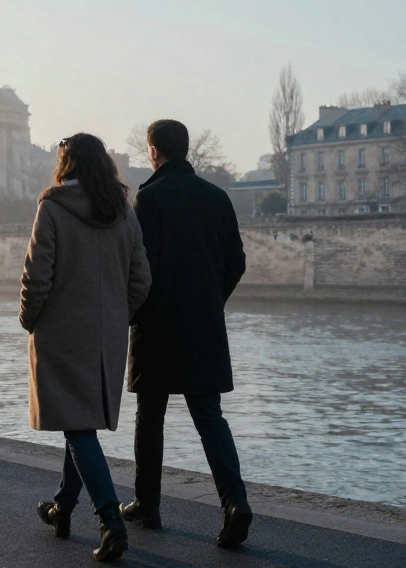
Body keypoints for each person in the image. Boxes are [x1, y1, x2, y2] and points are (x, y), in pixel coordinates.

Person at [20, 133, 151, 563]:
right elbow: (141, 281)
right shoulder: (124, 213)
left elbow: (38, 276)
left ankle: (110, 521)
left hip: (60, 333)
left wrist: (30, 319)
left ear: (66, 164)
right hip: (106, 337)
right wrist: (115, 317)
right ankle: (62, 508)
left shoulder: (52, 208)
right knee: (79, 423)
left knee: (76, 427)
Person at [122, 118, 252, 548]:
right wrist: (212, 301)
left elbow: (144, 269)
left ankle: (149, 505)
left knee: (150, 416)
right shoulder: (218, 197)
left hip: (157, 324)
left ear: (153, 152)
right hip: (204, 324)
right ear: (187, 148)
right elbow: (236, 262)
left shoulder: (150, 198)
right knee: (209, 418)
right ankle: (235, 503)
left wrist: (133, 312)